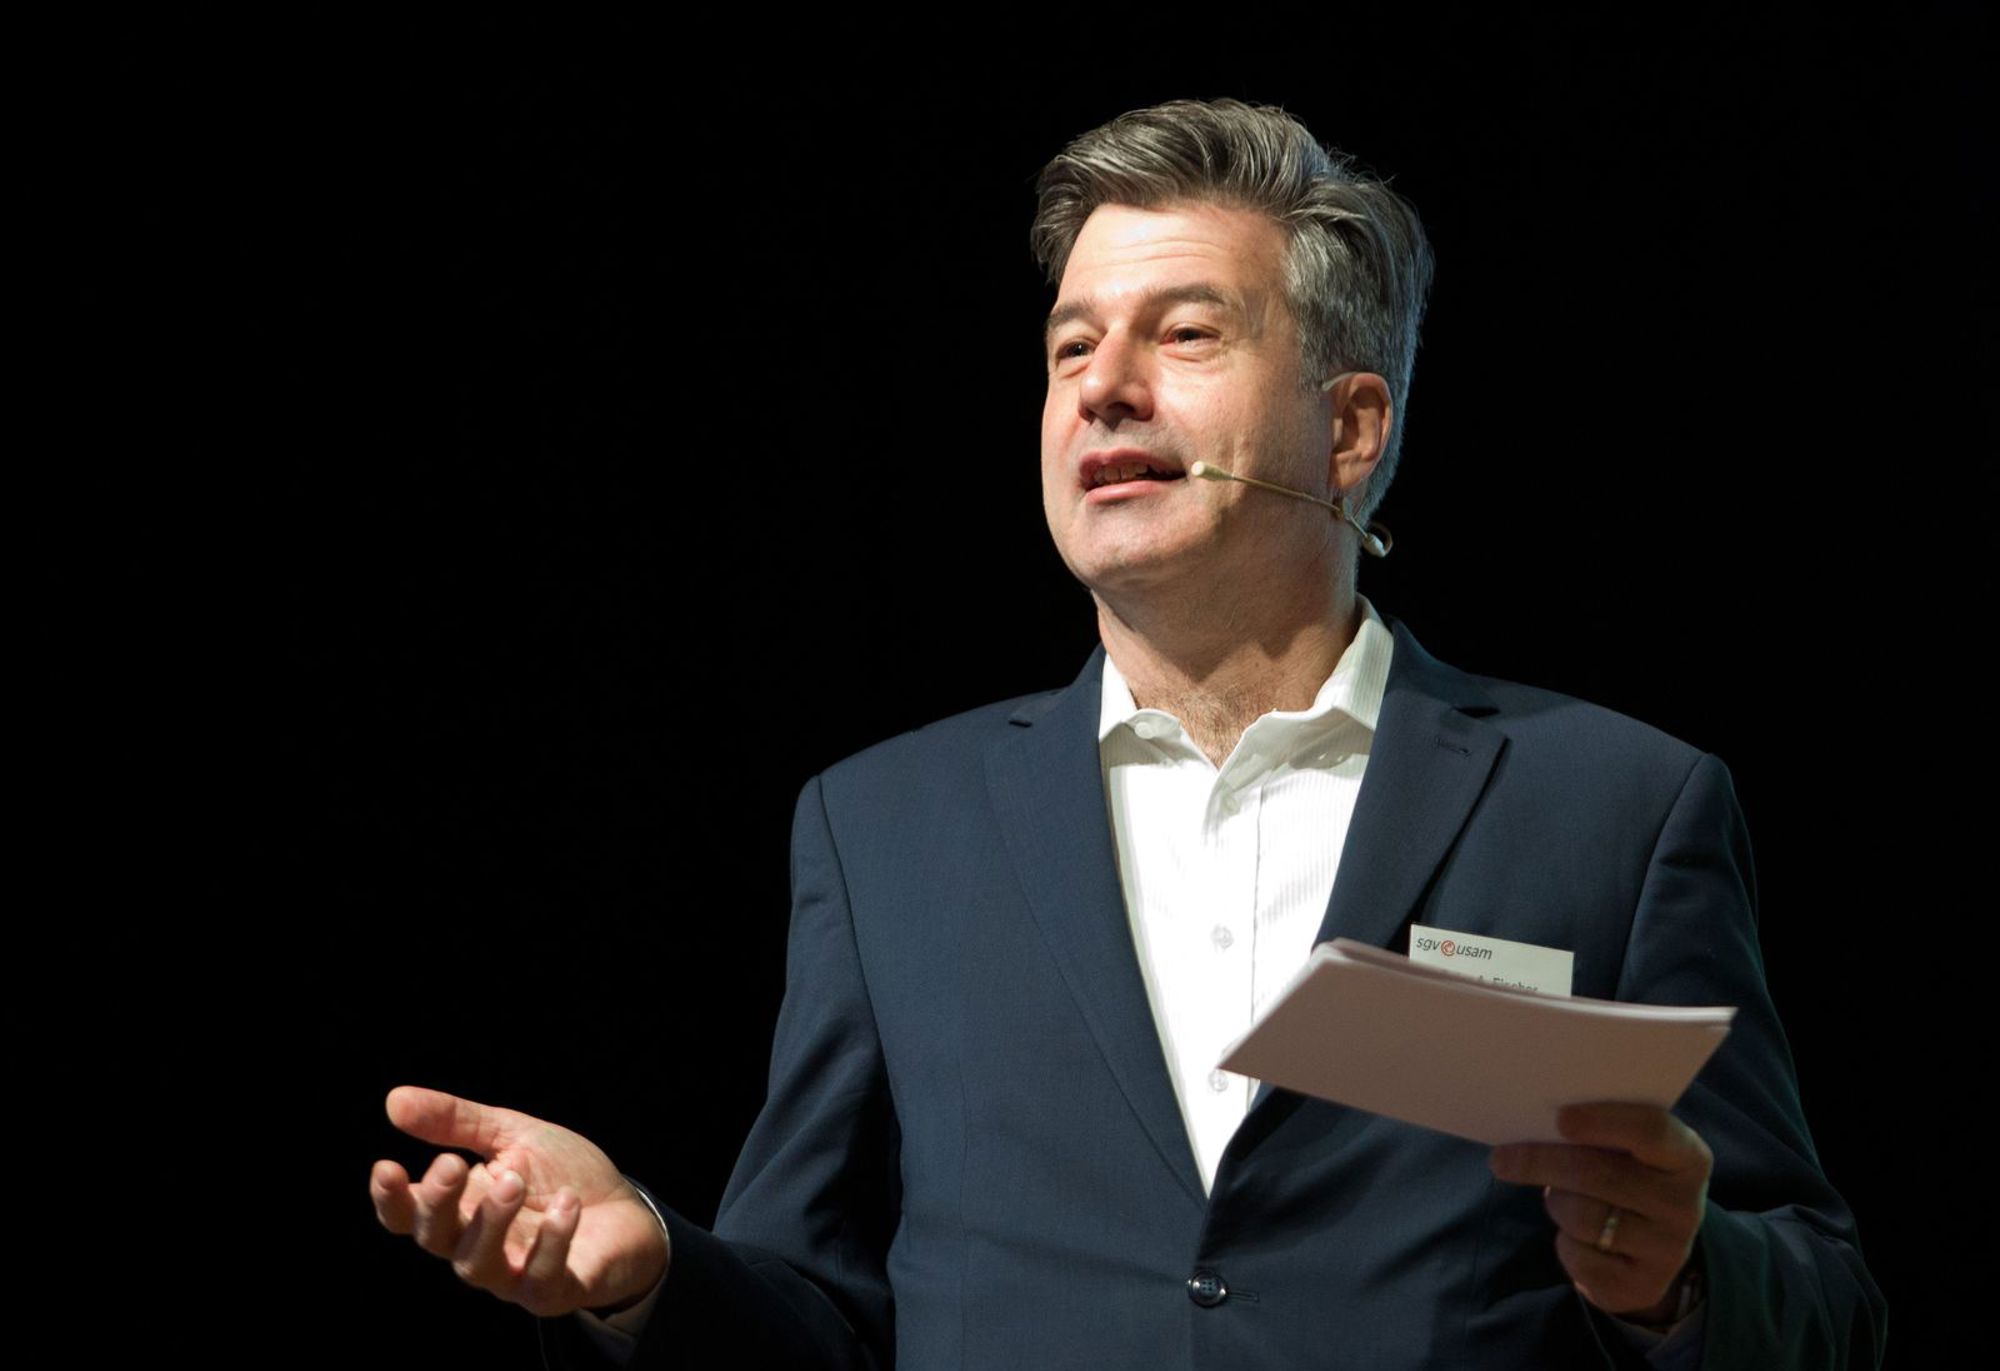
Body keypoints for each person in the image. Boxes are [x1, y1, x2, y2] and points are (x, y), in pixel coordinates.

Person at [371, 100, 1884, 1368]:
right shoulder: (885, 828)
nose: (1103, 387)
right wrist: (651, 1269)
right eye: (1070, 346)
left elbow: (1828, 1305)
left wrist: (1682, 1279)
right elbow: (821, 1320)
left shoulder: (1614, 807)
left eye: (1187, 332)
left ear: (1350, 429)